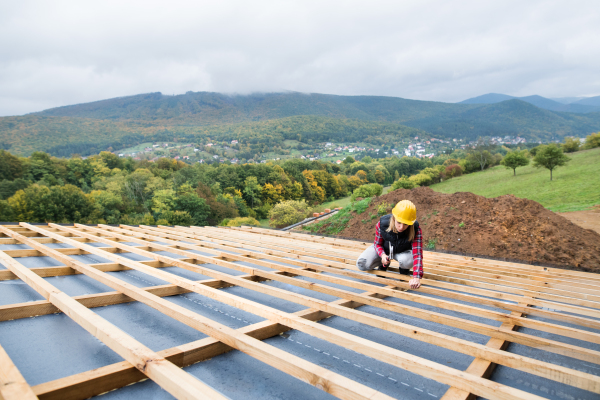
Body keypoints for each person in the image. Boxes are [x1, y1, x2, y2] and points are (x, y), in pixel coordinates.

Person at [356, 200, 423, 289]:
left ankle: (404, 271)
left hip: (402, 252)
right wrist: (383, 255)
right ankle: (383, 264)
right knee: (361, 264)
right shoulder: (382, 224)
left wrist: (416, 277)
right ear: (394, 218)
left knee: (408, 260)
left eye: (406, 224)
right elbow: (377, 244)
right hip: (385, 250)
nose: (401, 227)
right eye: (399, 222)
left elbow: (417, 254)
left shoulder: (415, 229)